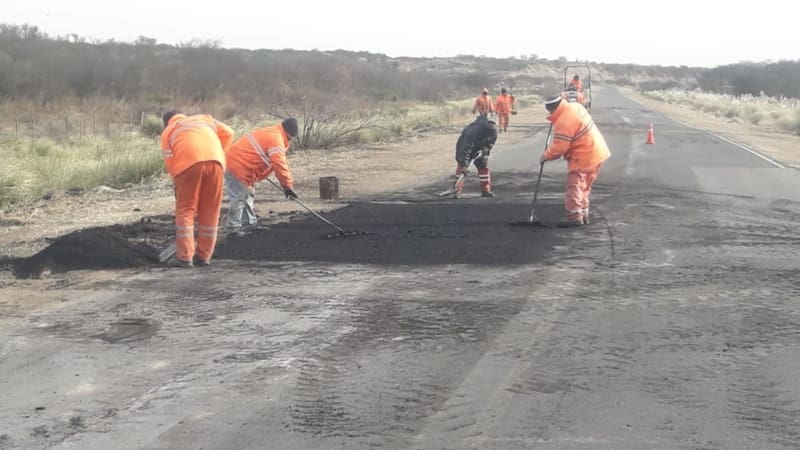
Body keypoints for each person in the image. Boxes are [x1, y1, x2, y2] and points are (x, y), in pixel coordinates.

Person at [160, 110, 233, 267]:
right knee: (211, 210)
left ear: (166, 122)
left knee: (185, 210)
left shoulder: (168, 131)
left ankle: (185, 257)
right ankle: (204, 256)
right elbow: (229, 133)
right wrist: (221, 153)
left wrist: (177, 182)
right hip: (216, 163)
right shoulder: (205, 119)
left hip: (188, 165)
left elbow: (169, 161)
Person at [539, 95, 610, 227]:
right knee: (584, 187)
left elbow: (559, 148)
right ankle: (583, 212)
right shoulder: (575, 107)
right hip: (597, 152)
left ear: (552, 109)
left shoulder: (564, 121)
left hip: (584, 155)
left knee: (575, 185)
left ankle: (574, 215)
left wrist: (546, 156)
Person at [224, 118, 299, 234]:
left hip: (244, 166)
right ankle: (233, 228)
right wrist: (287, 186)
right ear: (287, 132)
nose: (290, 140)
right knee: (240, 196)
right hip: (237, 165)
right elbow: (279, 163)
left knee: (247, 194)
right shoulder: (276, 138)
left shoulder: (273, 132)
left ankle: (249, 224)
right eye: (290, 137)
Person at [453, 115, 498, 198]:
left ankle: (486, 190)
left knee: (483, 168)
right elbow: (465, 149)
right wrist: (464, 163)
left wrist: (483, 150)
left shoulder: (493, 130)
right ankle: (456, 190)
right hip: (465, 149)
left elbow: (490, 143)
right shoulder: (471, 132)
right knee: (461, 169)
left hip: (480, 149)